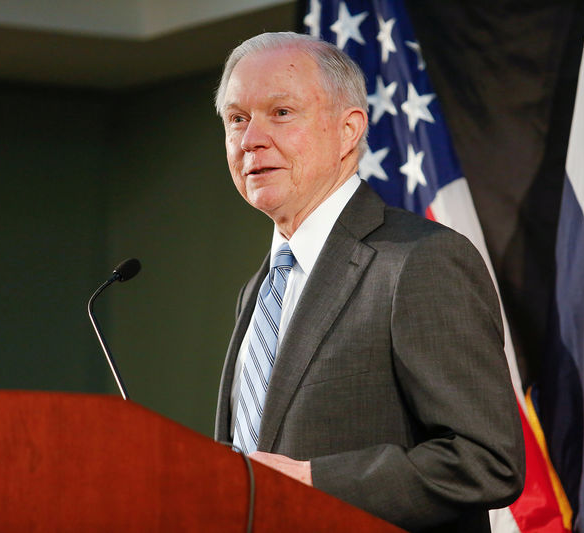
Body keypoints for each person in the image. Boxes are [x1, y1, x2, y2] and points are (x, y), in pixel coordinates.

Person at [212, 32, 525, 532]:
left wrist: (314, 480)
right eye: (237, 119)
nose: (251, 139)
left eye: (282, 113)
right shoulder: (259, 290)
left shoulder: (419, 260)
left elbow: (486, 460)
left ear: (348, 130)